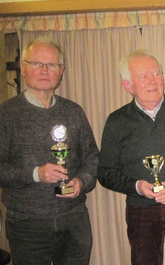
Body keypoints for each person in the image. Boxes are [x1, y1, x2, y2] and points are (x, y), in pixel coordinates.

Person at [97, 50, 165, 265]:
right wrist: (137, 186)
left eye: (156, 73)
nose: (152, 80)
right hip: (141, 209)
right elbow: (105, 173)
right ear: (128, 86)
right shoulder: (116, 122)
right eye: (143, 76)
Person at [0, 37, 98, 264]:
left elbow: (92, 157)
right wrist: (35, 174)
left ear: (61, 71)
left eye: (52, 65)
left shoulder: (73, 111)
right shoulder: (6, 114)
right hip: (27, 223)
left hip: (74, 219)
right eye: (36, 63)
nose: (44, 70)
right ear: (24, 68)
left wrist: (82, 181)